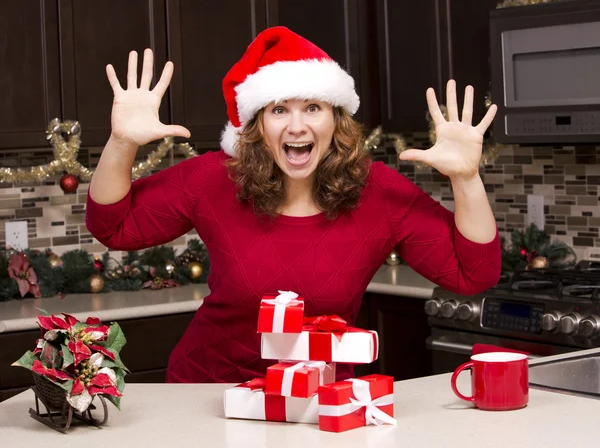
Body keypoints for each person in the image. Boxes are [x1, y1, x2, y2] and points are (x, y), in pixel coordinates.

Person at [86, 26, 501, 383]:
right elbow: (112, 226)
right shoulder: (215, 178)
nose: (297, 125)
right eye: (279, 109)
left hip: (319, 406)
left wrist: (466, 178)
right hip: (206, 394)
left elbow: (475, 273)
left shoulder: (378, 192)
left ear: (336, 119)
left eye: (313, 108)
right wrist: (122, 142)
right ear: (256, 124)